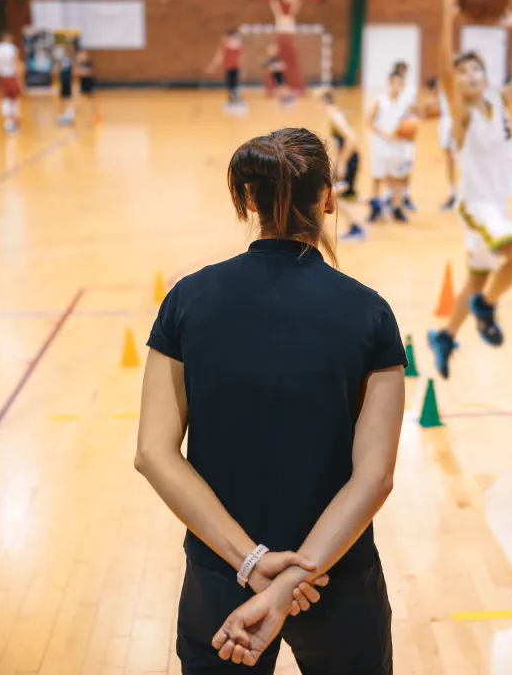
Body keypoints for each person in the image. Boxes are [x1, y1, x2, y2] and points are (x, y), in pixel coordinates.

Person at [135, 127, 405, 674]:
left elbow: (154, 454)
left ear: (247, 201)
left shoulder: (187, 299)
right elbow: (373, 477)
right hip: (336, 580)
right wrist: (291, 583)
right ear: (329, 199)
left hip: (222, 580)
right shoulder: (370, 314)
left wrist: (253, 564)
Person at [427, 0, 512, 379]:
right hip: (477, 207)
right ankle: (487, 307)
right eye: (463, 71)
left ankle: (445, 336)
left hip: (498, 204)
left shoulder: (500, 99)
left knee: (476, 275)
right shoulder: (460, 117)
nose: (470, 74)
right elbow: (443, 68)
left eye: (476, 68)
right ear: (455, 84)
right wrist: (447, 15)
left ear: (486, 74)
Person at [366, 70, 412, 223]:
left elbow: (411, 124)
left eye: (400, 84)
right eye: (394, 83)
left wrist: (406, 134)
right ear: (389, 83)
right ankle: (375, 207)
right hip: (381, 145)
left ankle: (396, 207)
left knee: (398, 177)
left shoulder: (405, 104)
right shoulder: (380, 101)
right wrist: (385, 134)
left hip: (398, 146)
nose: (397, 87)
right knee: (378, 177)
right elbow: (369, 121)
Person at [320, 89, 365, 242]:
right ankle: (375, 205)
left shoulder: (334, 117)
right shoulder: (336, 114)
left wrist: (342, 163)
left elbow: (351, 138)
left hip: (350, 159)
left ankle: (356, 227)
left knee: (337, 194)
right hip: (349, 158)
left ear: (323, 102)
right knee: (344, 194)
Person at [390, 61, 418, 213]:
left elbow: (415, 110)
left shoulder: (411, 91)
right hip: (393, 137)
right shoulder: (390, 95)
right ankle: (391, 197)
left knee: (407, 166)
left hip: (407, 136)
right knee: (391, 168)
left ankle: (406, 196)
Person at [429, 77, 458, 210]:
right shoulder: (441, 83)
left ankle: (460, 195)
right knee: (450, 160)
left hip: (457, 122)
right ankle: (453, 194)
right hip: (446, 122)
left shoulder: (459, 83)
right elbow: (438, 104)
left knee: (457, 159)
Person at [270, 0, 305, 97]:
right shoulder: (280, 17)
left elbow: (295, 7)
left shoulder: (290, 17)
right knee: (277, 65)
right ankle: (279, 87)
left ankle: (292, 87)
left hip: (289, 41)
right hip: (281, 40)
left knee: (291, 65)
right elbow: (276, 8)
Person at [0, 31, 23, 133]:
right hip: (11, 76)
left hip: (1, 77)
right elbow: (16, 64)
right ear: (8, 39)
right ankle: (15, 123)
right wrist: (21, 81)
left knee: (5, 99)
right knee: (15, 100)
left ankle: (7, 124)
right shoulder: (12, 49)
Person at [207, 29, 244, 111]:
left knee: (232, 83)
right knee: (232, 83)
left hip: (233, 67)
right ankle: (234, 98)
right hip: (231, 67)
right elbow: (220, 56)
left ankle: (234, 98)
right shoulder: (234, 44)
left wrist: (212, 66)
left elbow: (220, 57)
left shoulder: (229, 44)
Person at [54, 45, 76, 126]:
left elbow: (73, 72)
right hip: (63, 83)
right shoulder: (62, 61)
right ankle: (63, 116)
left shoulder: (71, 61)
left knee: (69, 99)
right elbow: (57, 70)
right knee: (62, 100)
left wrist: (74, 82)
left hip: (68, 83)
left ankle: (69, 116)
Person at [76, 48, 98, 122]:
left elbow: (90, 73)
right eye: (81, 55)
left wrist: (84, 73)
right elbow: (78, 73)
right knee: (81, 99)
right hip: (83, 84)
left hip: (89, 84)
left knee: (92, 100)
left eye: (83, 55)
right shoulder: (80, 64)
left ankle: (95, 114)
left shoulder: (89, 63)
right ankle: (82, 115)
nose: (82, 56)